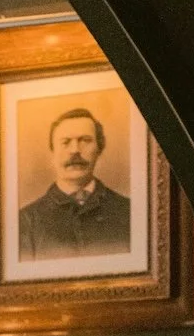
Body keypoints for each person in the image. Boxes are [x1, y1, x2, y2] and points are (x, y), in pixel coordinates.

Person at [17, 105, 131, 258]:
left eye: (85, 140)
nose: (75, 150)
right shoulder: (26, 221)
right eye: (65, 142)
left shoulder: (128, 211)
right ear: (53, 152)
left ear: (99, 149)